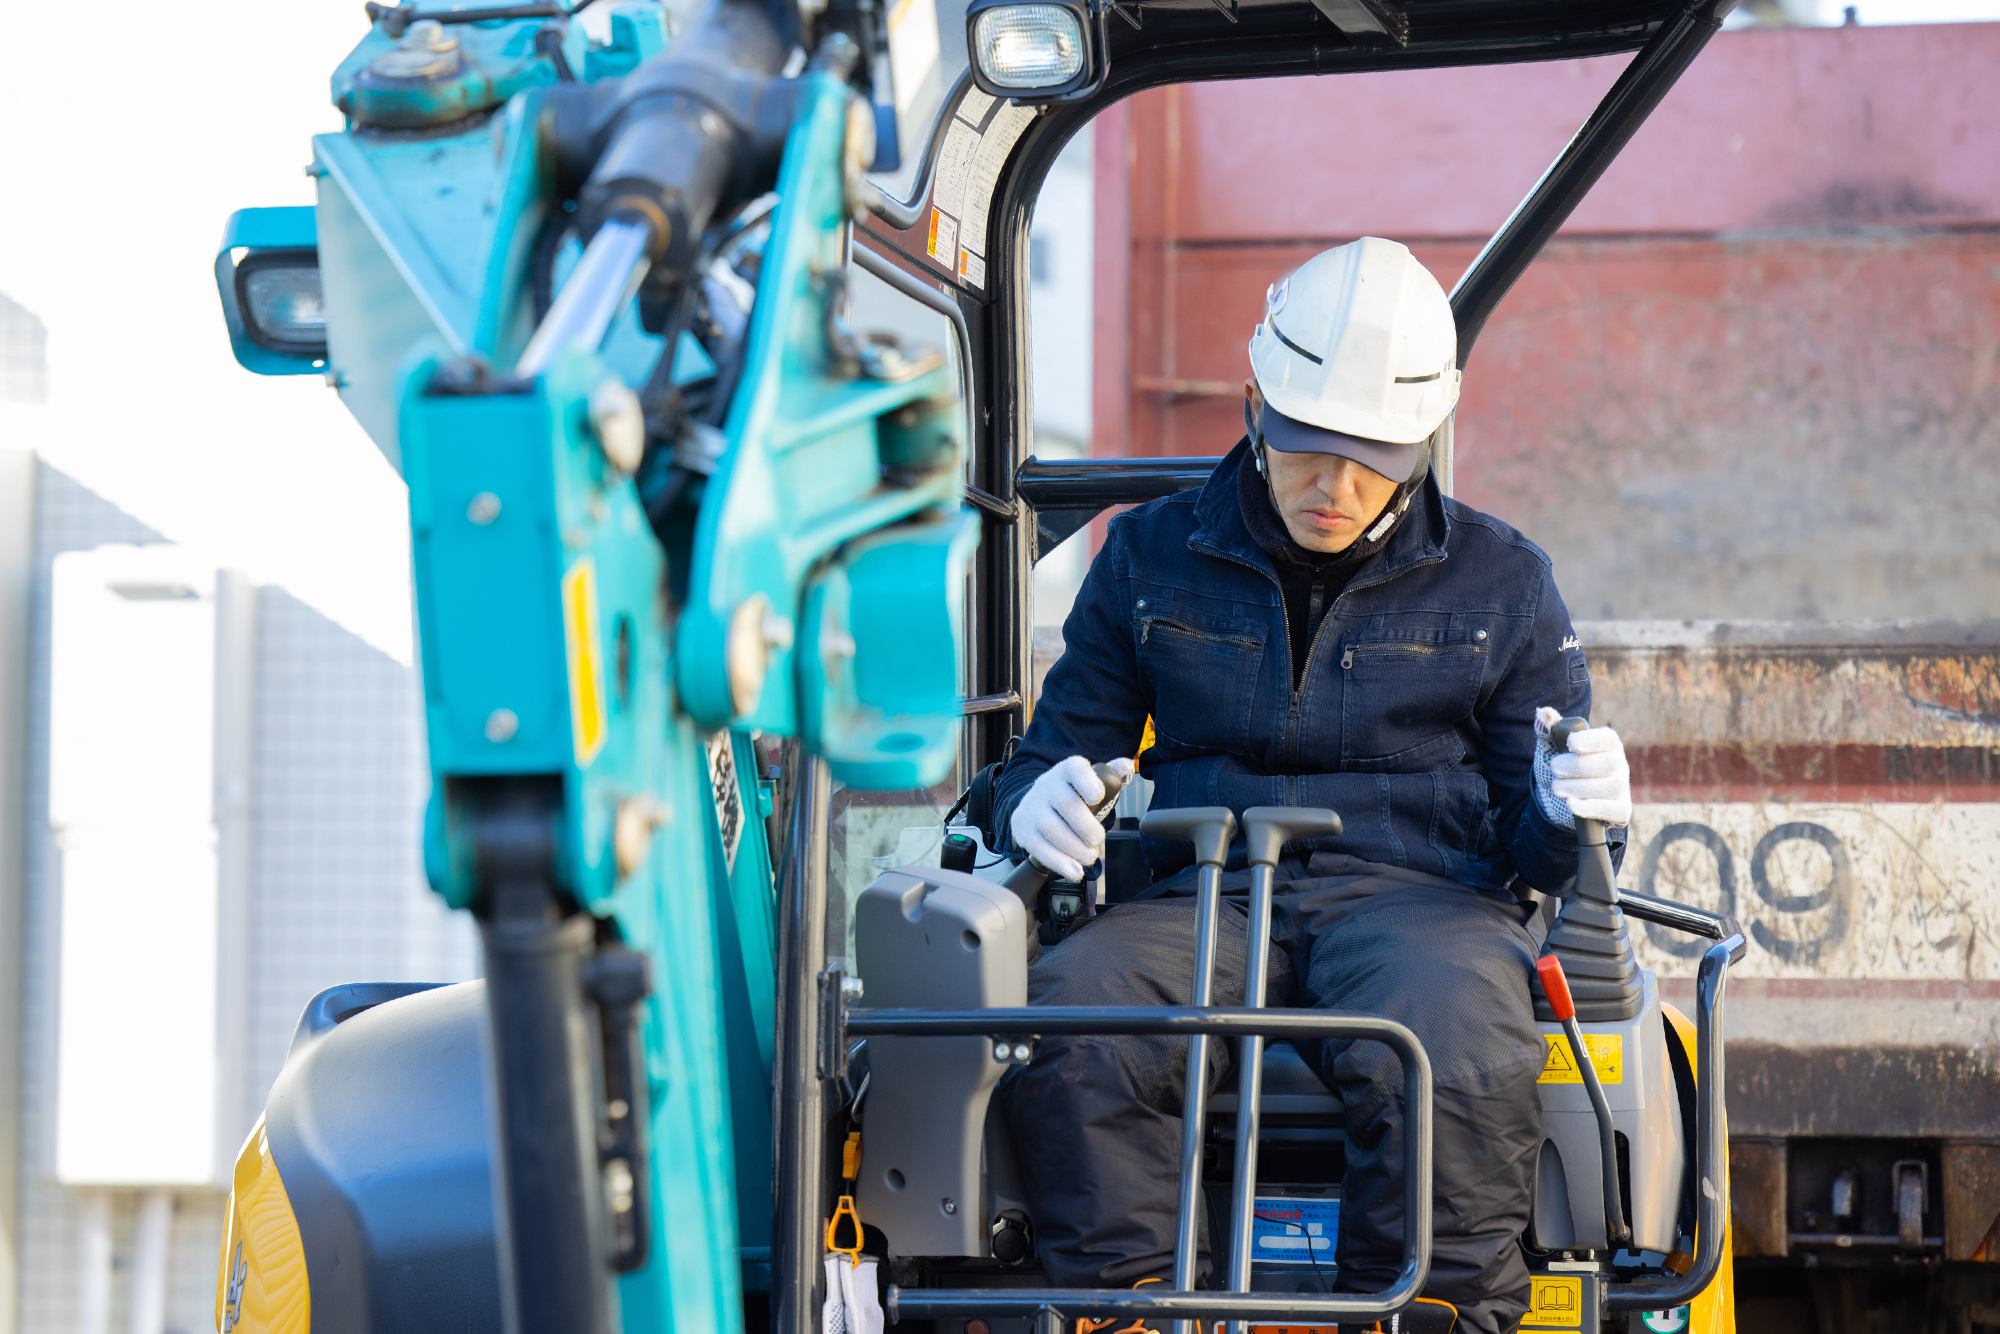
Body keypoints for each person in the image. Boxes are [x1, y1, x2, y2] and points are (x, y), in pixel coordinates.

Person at [985, 238, 1633, 1334]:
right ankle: (1126, 1311)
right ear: (1251, 404)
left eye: (1372, 454)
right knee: (1074, 1007)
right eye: (1303, 448)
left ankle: (1426, 1316)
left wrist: (1569, 813)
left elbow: (1532, 850)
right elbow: (1050, 753)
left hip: (1418, 898)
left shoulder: (1502, 581)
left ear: (1424, 435)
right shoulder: (1146, 557)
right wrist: (1032, 799)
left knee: (1453, 1041)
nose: (1332, 485)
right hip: (1201, 893)